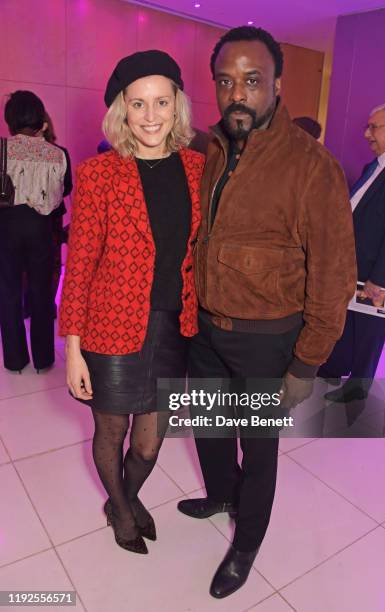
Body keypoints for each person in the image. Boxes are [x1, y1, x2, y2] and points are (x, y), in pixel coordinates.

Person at [176, 26, 356, 598]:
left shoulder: (312, 167)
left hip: (267, 339)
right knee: (207, 428)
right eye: (226, 81)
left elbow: (333, 279)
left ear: (277, 85)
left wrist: (305, 365)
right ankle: (221, 495)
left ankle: (247, 539)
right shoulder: (208, 148)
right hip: (205, 328)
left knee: (258, 446)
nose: (238, 94)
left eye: (252, 81)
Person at [59, 50, 204, 554]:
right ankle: (121, 509)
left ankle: (127, 492)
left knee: (150, 441)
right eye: (137, 103)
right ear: (121, 108)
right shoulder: (99, 173)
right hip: (108, 328)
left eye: (161, 102)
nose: (150, 116)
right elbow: (78, 267)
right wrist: (73, 349)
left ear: (177, 105)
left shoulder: (198, 170)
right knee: (112, 428)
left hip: (173, 328)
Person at [320, 102, 385, 403]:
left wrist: (379, 279)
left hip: (379, 271)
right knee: (347, 317)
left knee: (370, 330)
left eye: (374, 127)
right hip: (355, 263)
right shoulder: (376, 164)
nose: (366, 133)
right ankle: (333, 366)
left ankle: (358, 388)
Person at [0, 91, 66, 373]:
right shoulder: (59, 153)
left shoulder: (2, 148)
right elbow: (67, 189)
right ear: (39, 116)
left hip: (7, 226)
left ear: (10, 118)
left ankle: (15, 360)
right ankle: (44, 359)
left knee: (8, 292)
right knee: (41, 293)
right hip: (42, 228)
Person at [23, 112, 73, 318]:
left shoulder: (58, 152)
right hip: (51, 216)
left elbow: (67, 186)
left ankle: (34, 305)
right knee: (49, 263)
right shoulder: (59, 152)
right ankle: (44, 306)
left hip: (36, 216)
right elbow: (67, 186)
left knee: (37, 262)